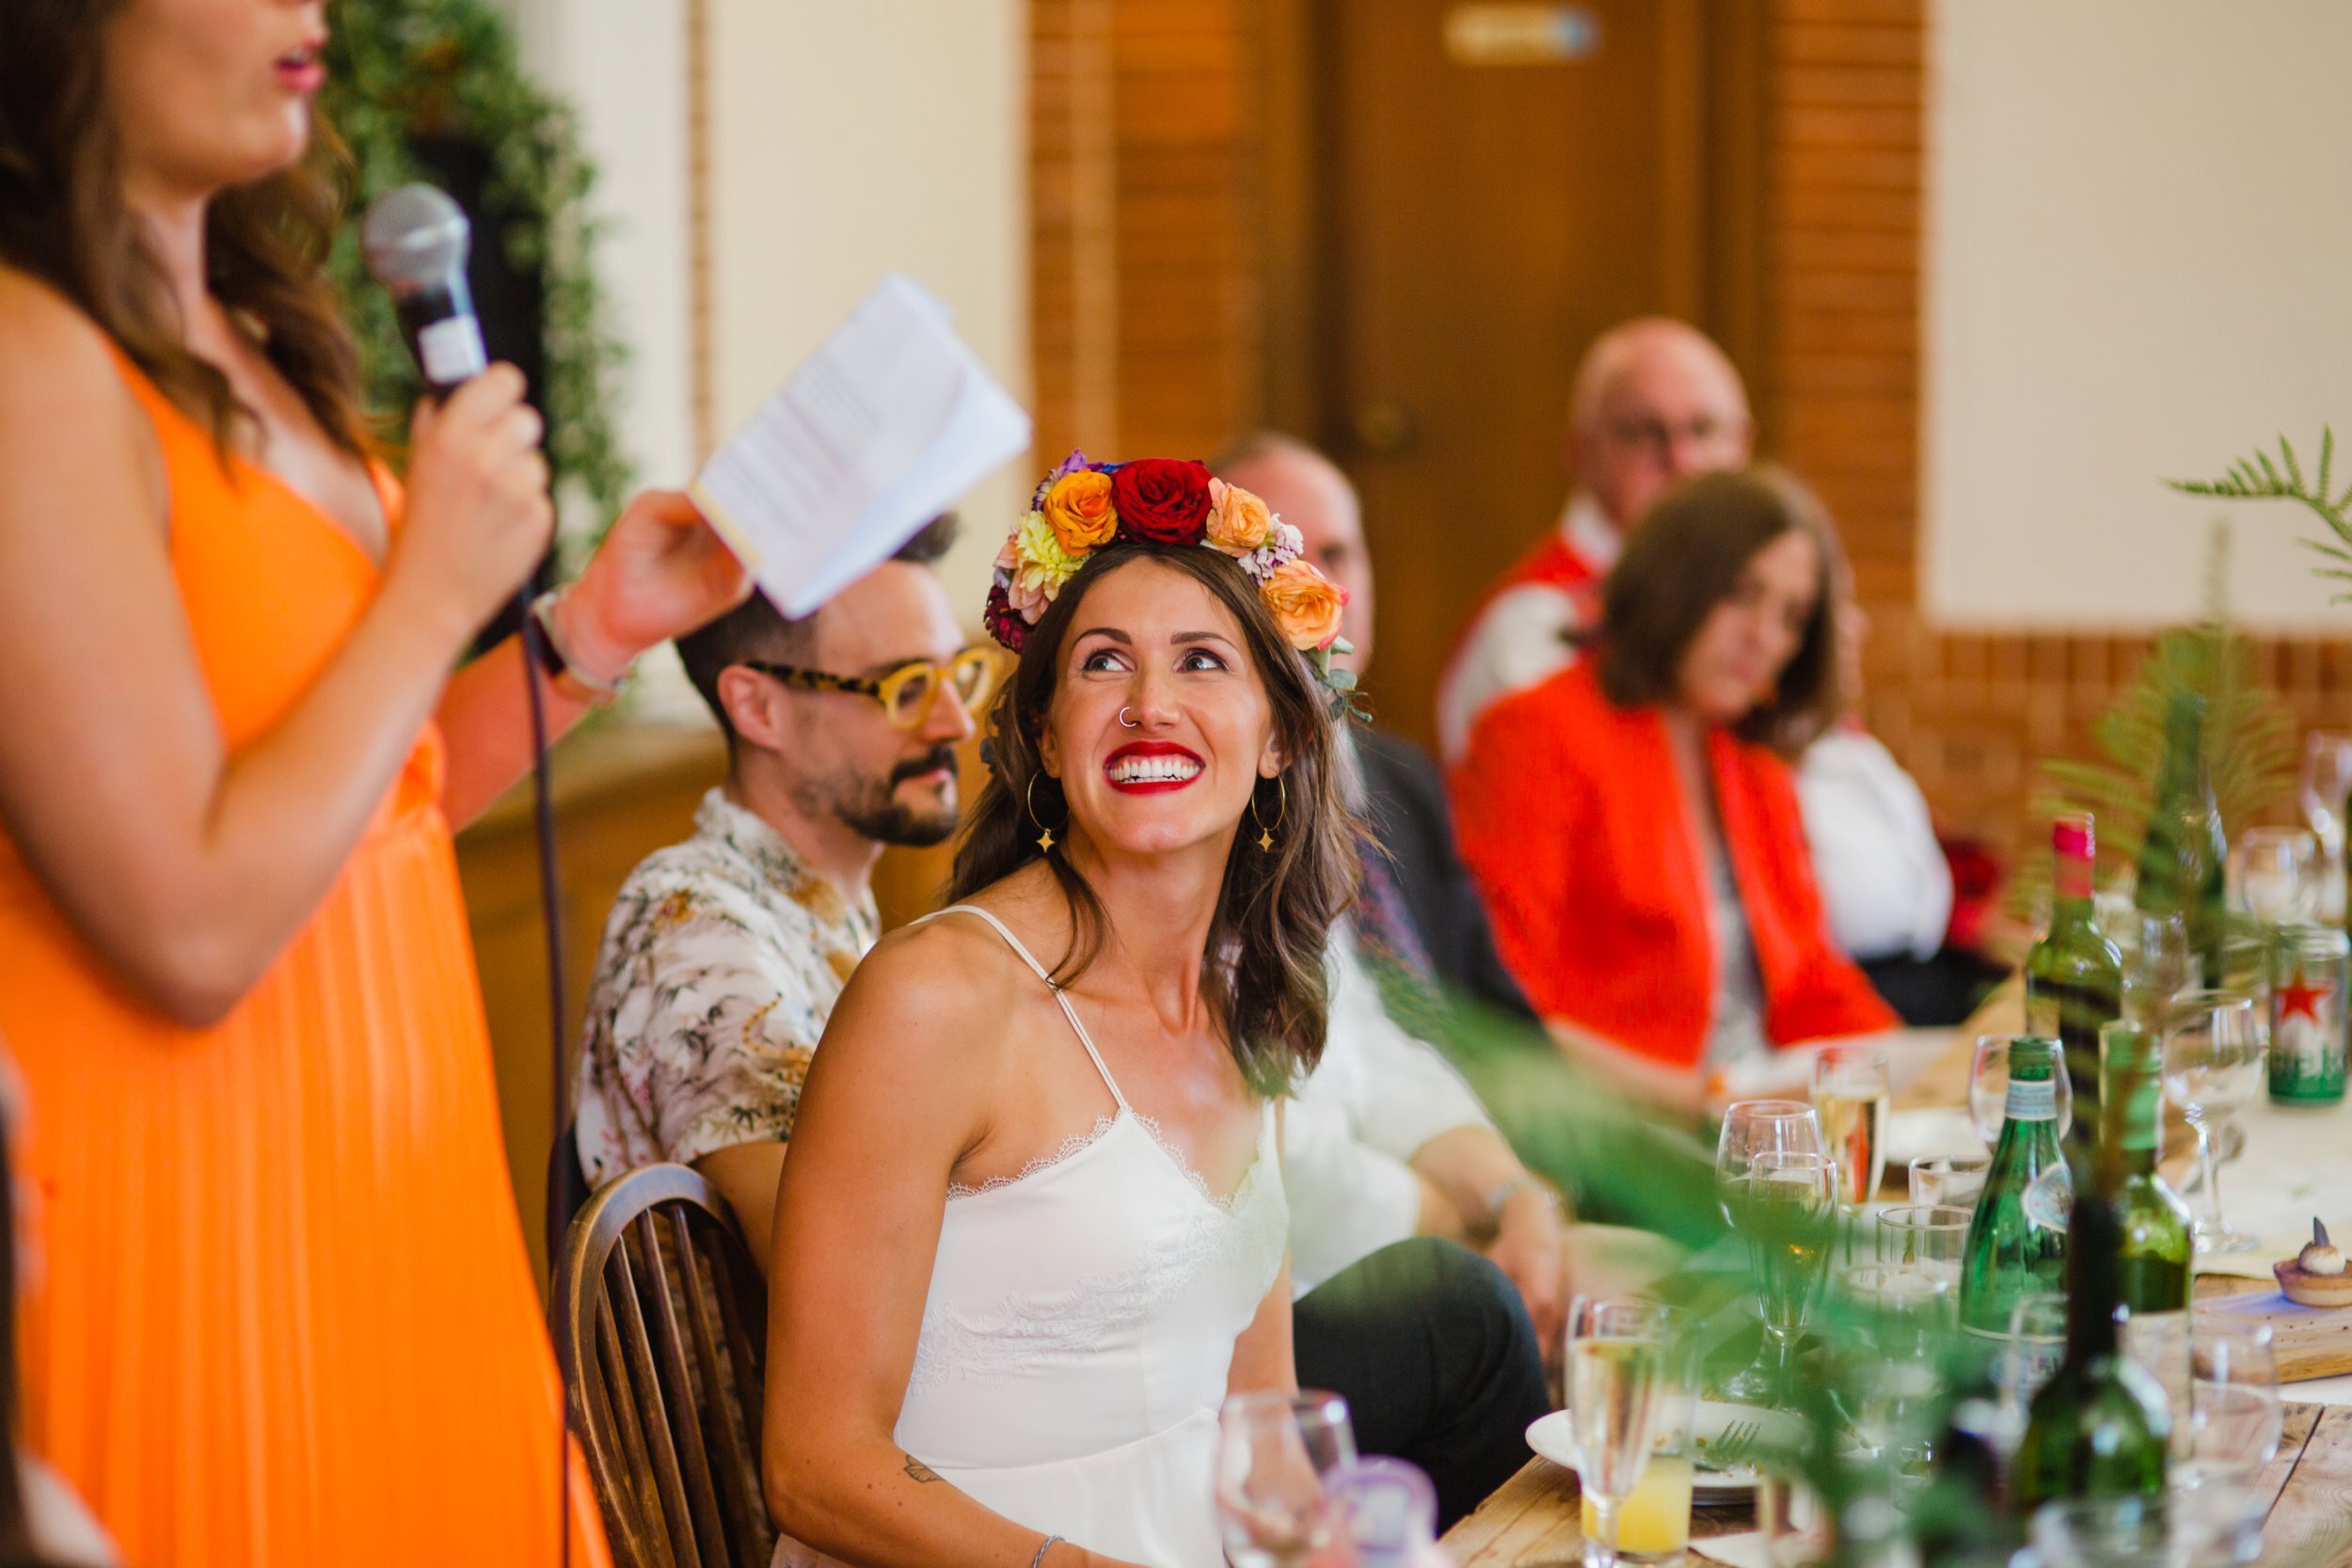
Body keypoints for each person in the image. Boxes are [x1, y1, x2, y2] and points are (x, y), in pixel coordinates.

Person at [0, 5, 750, 1563]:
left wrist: (587, 629)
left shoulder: (255, 338)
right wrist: (426, 588)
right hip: (196, 1214)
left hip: (392, 1212)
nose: (310, 10)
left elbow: (376, 802)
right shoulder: (27, 362)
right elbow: (191, 924)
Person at [761, 454, 1355, 1567]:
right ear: (1043, 733)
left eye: (1201, 660)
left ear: (1278, 735)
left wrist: (1332, 1541)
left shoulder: (1247, 998)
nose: (1149, 705)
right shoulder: (936, 999)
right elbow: (812, 1462)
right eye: (1102, 663)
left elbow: (1260, 1419)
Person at [573, 517, 981, 1251]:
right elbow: (830, 1257)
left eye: (957, 675)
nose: (954, 722)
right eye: (906, 686)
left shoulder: (824, 904)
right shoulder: (692, 922)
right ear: (759, 708)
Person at [1451, 469, 1897, 1113]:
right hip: (1620, 1127)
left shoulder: (1751, 759)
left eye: (1792, 616)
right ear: (1673, 582)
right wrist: (1710, 1105)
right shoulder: (1537, 733)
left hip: (1761, 1110)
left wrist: (1918, 1072)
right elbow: (1503, 1009)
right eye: (1742, 595)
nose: (1765, 638)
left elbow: (1810, 981)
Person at [1216, 431, 1534, 1022]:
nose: (1323, 589)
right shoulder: (1205, 801)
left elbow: (1494, 1011)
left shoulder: (1410, 775)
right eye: (1285, 558)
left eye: (1338, 555)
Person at [1438, 317, 1753, 763]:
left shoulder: (1762, 606)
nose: (1681, 459)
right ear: (1581, 453)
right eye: (1644, 432)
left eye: (1703, 430)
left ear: (1744, 446)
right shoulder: (1534, 622)